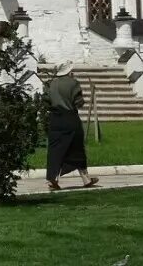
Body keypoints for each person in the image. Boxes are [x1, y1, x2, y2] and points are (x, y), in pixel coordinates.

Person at [45, 63, 98, 192]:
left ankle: (53, 179)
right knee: (77, 148)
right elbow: (78, 102)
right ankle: (85, 178)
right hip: (70, 118)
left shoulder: (50, 84)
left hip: (55, 119)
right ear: (69, 72)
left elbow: (46, 101)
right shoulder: (73, 83)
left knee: (55, 150)